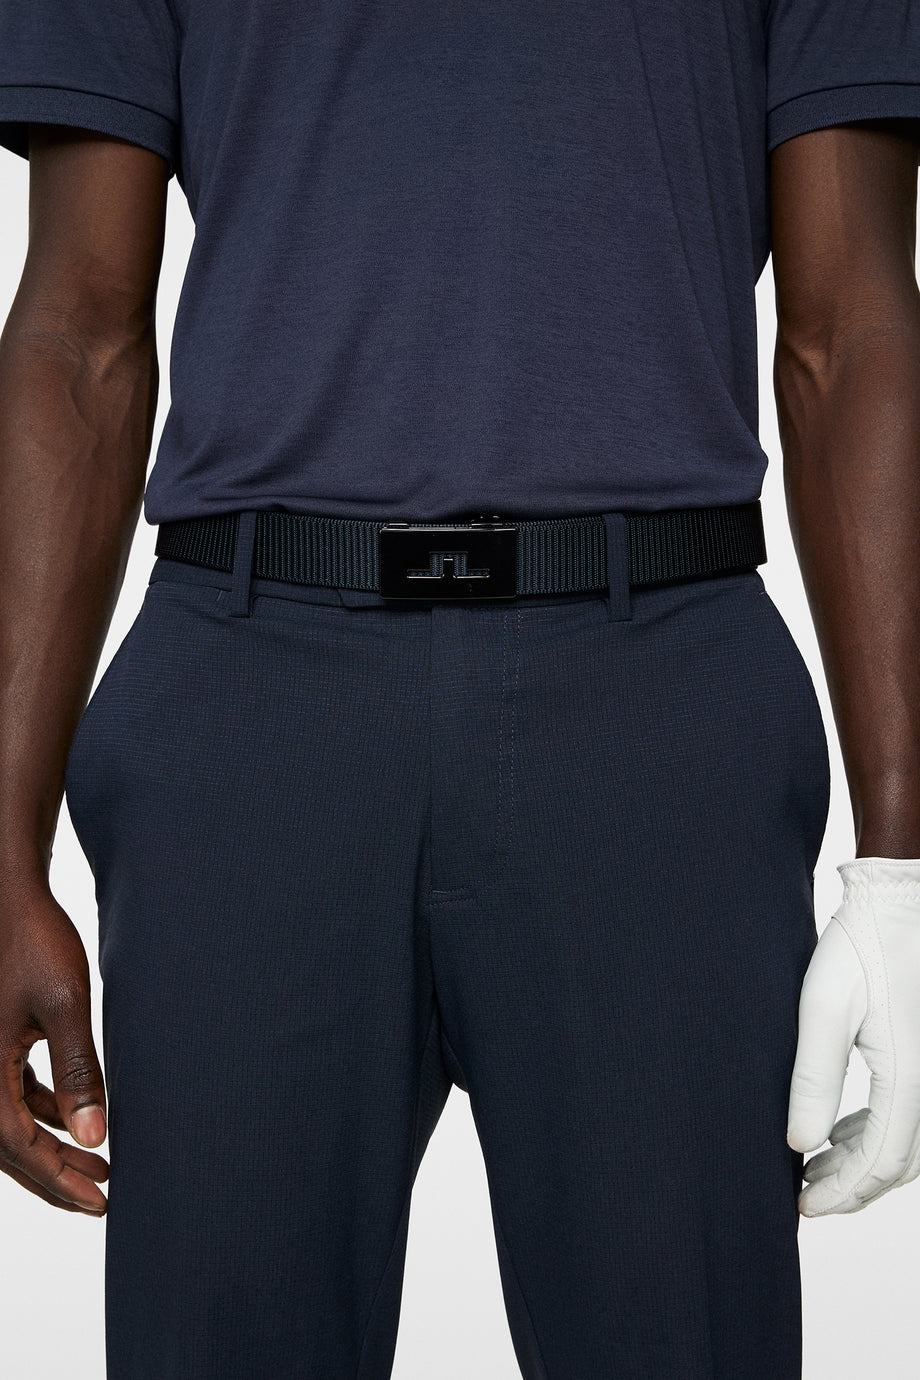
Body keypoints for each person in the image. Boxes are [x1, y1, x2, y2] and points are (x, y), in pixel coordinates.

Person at [0, 2, 919, 1376]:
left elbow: (850, 328)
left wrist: (902, 870)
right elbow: (76, 331)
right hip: (251, 706)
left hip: (655, 705)